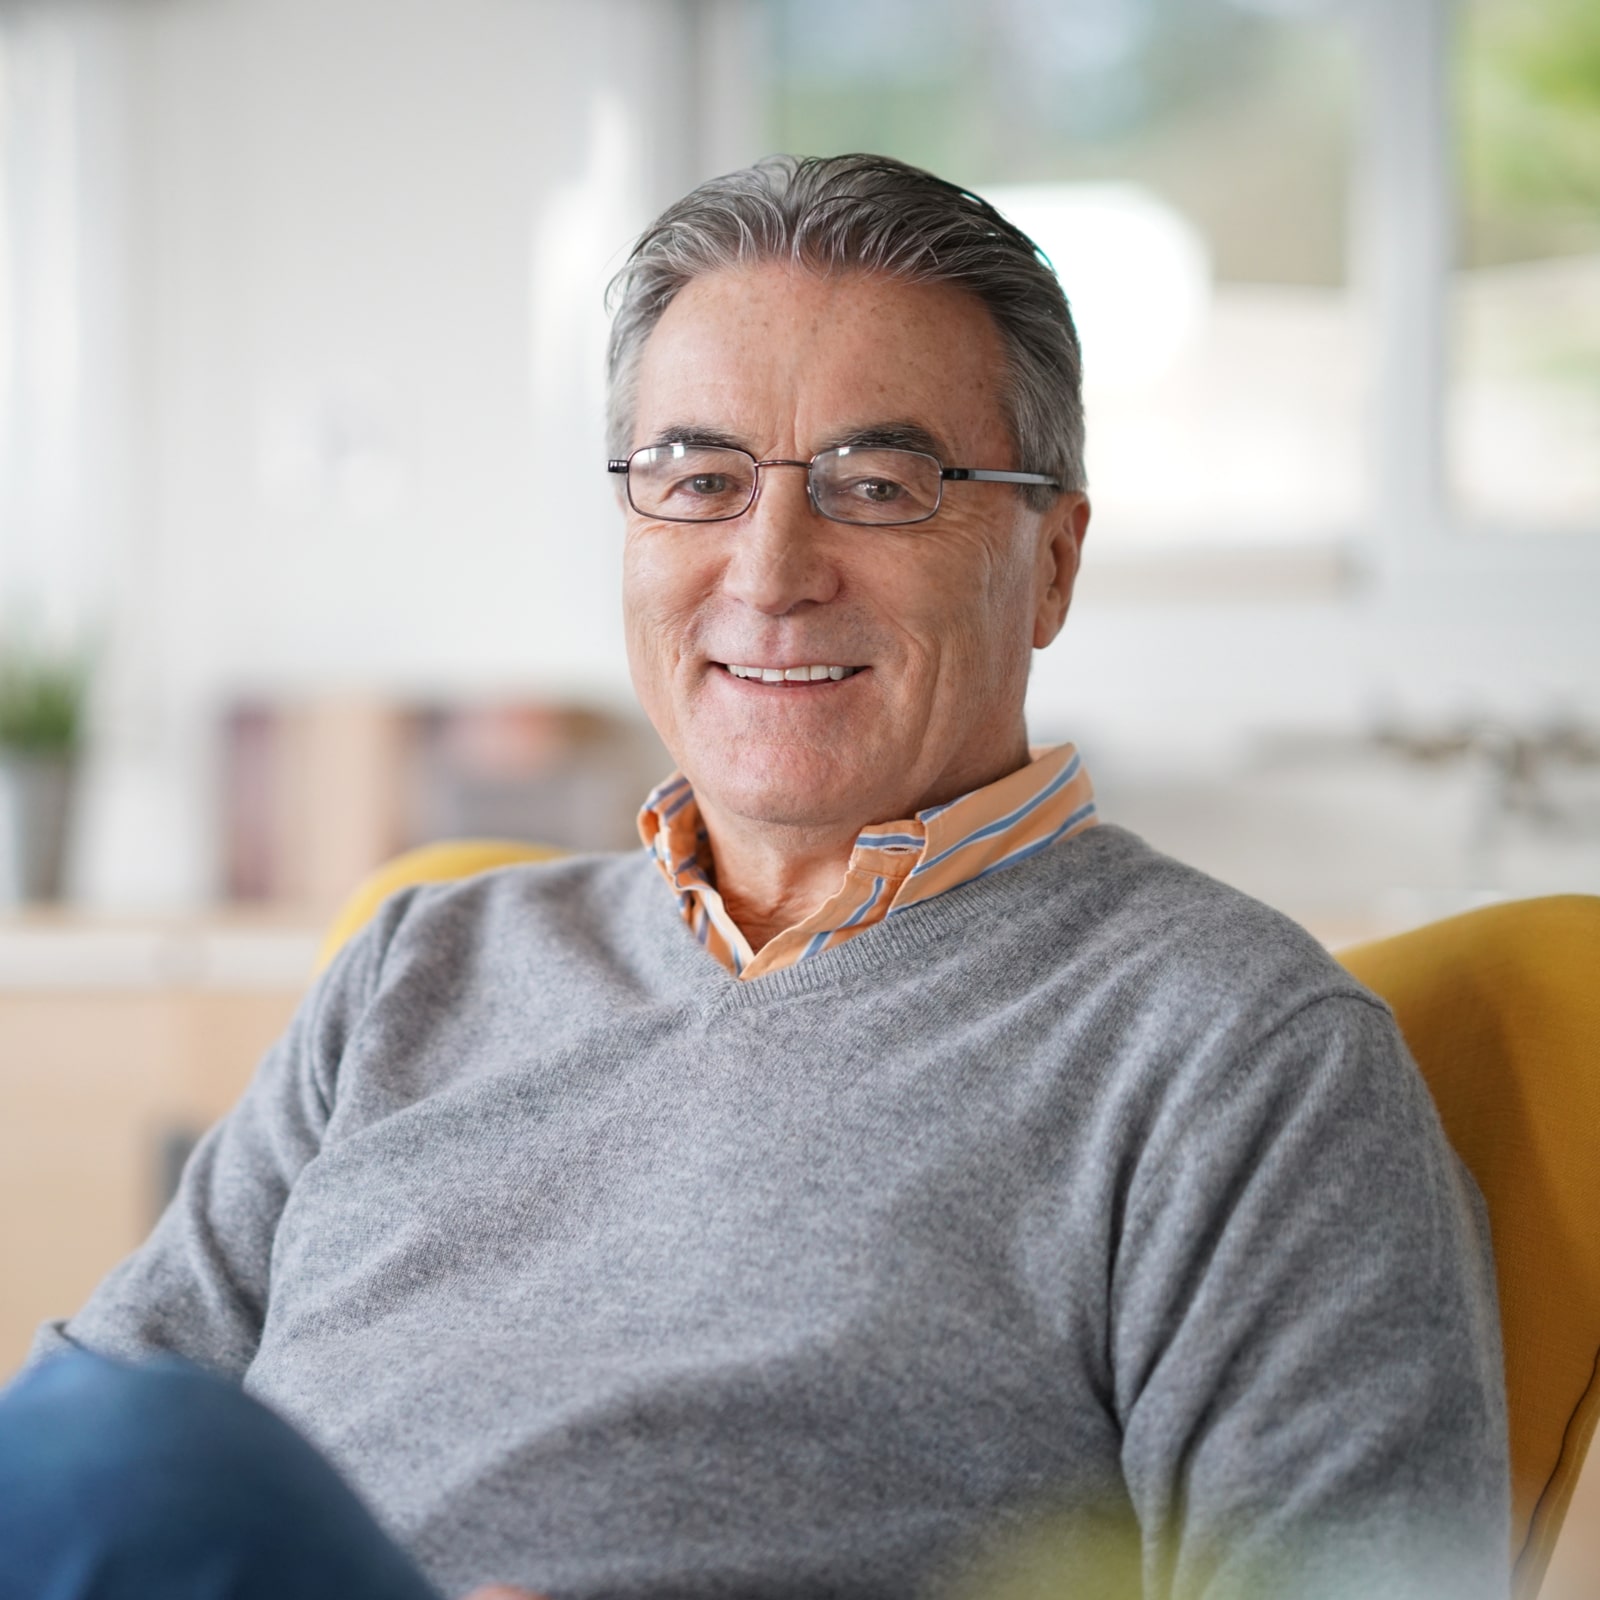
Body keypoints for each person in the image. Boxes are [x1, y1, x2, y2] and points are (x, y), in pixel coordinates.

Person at [0, 153, 1508, 1600]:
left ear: (1051, 562)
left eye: (879, 482)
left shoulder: (1239, 1059)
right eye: (698, 475)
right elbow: (73, 1466)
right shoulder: (421, 963)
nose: (772, 567)